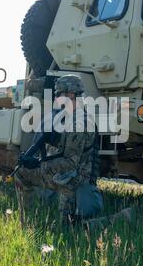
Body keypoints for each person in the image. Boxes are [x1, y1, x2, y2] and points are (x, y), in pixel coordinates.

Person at [15, 75, 104, 224]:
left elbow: (70, 162)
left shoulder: (80, 123)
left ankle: (62, 219)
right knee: (21, 172)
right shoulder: (65, 117)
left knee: (65, 226)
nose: (56, 98)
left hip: (75, 179)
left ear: (71, 95)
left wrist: (39, 163)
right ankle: (27, 218)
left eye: (58, 94)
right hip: (64, 174)